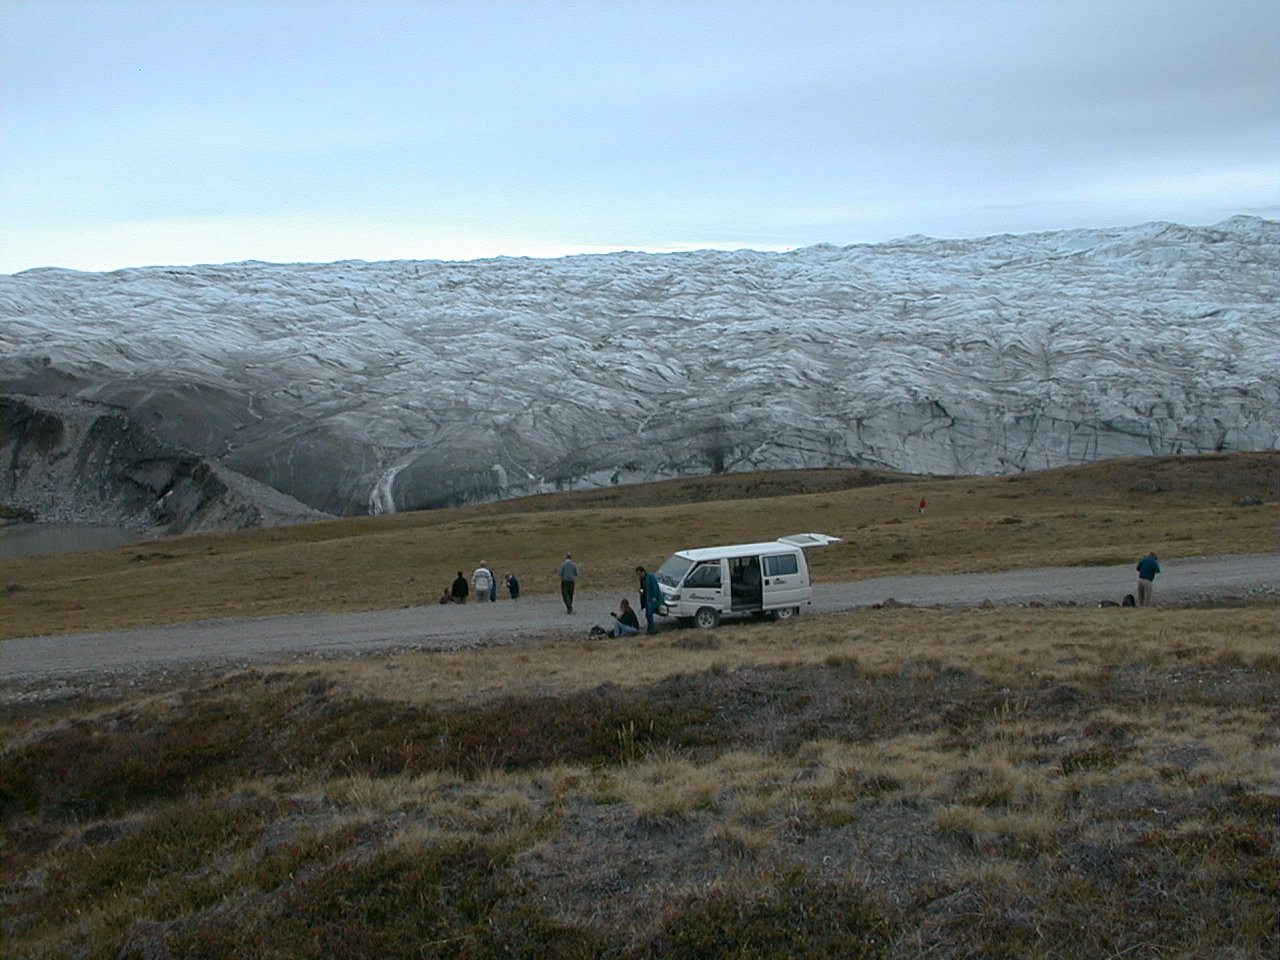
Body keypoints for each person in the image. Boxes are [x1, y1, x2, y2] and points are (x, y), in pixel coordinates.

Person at [636, 565, 662, 634]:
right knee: (648, 615)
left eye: (639, 574)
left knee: (649, 614)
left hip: (652, 599)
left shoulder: (651, 577)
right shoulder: (642, 580)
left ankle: (652, 629)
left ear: (643, 571)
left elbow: (655, 587)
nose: (639, 576)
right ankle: (650, 628)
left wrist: (655, 597)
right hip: (647, 599)